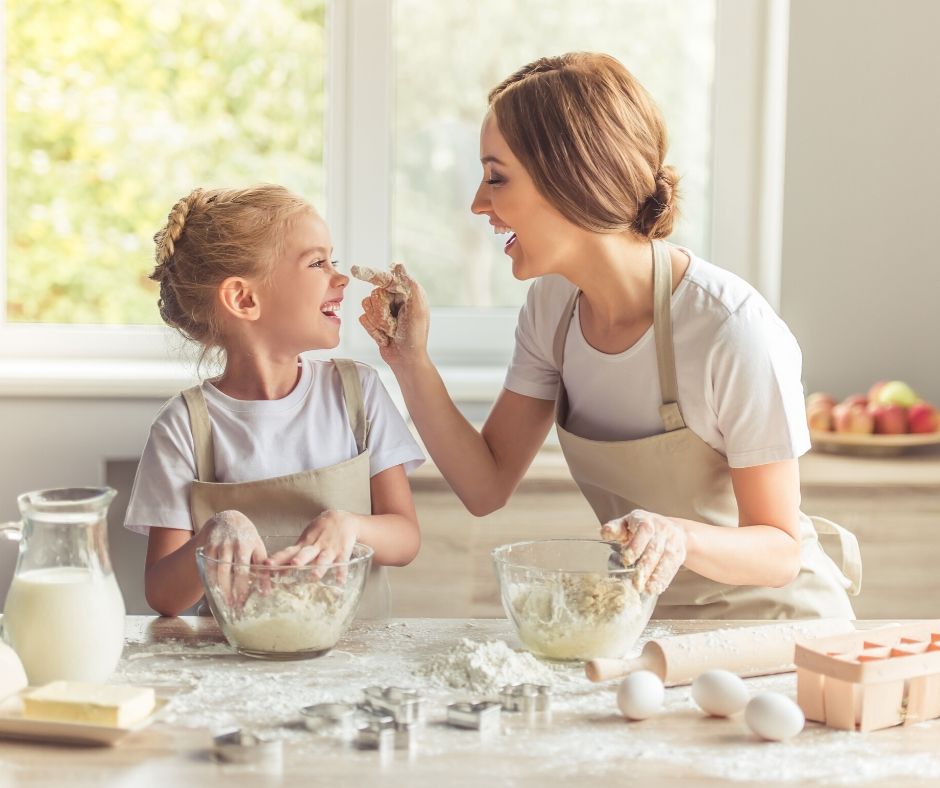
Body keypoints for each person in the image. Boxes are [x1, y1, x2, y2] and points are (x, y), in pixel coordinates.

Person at [358, 53, 860, 619]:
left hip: (775, 626)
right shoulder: (553, 307)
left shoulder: (730, 331)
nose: (479, 203)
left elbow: (780, 550)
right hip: (650, 622)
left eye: (496, 177)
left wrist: (679, 537)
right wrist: (409, 361)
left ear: (573, 180)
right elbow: (485, 485)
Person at [125, 184, 424, 618]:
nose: (340, 278)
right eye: (317, 263)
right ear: (244, 299)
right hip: (238, 666)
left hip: (357, 661)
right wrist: (213, 535)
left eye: (332, 260)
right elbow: (163, 596)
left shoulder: (358, 392)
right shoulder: (184, 425)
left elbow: (406, 539)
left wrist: (350, 526)